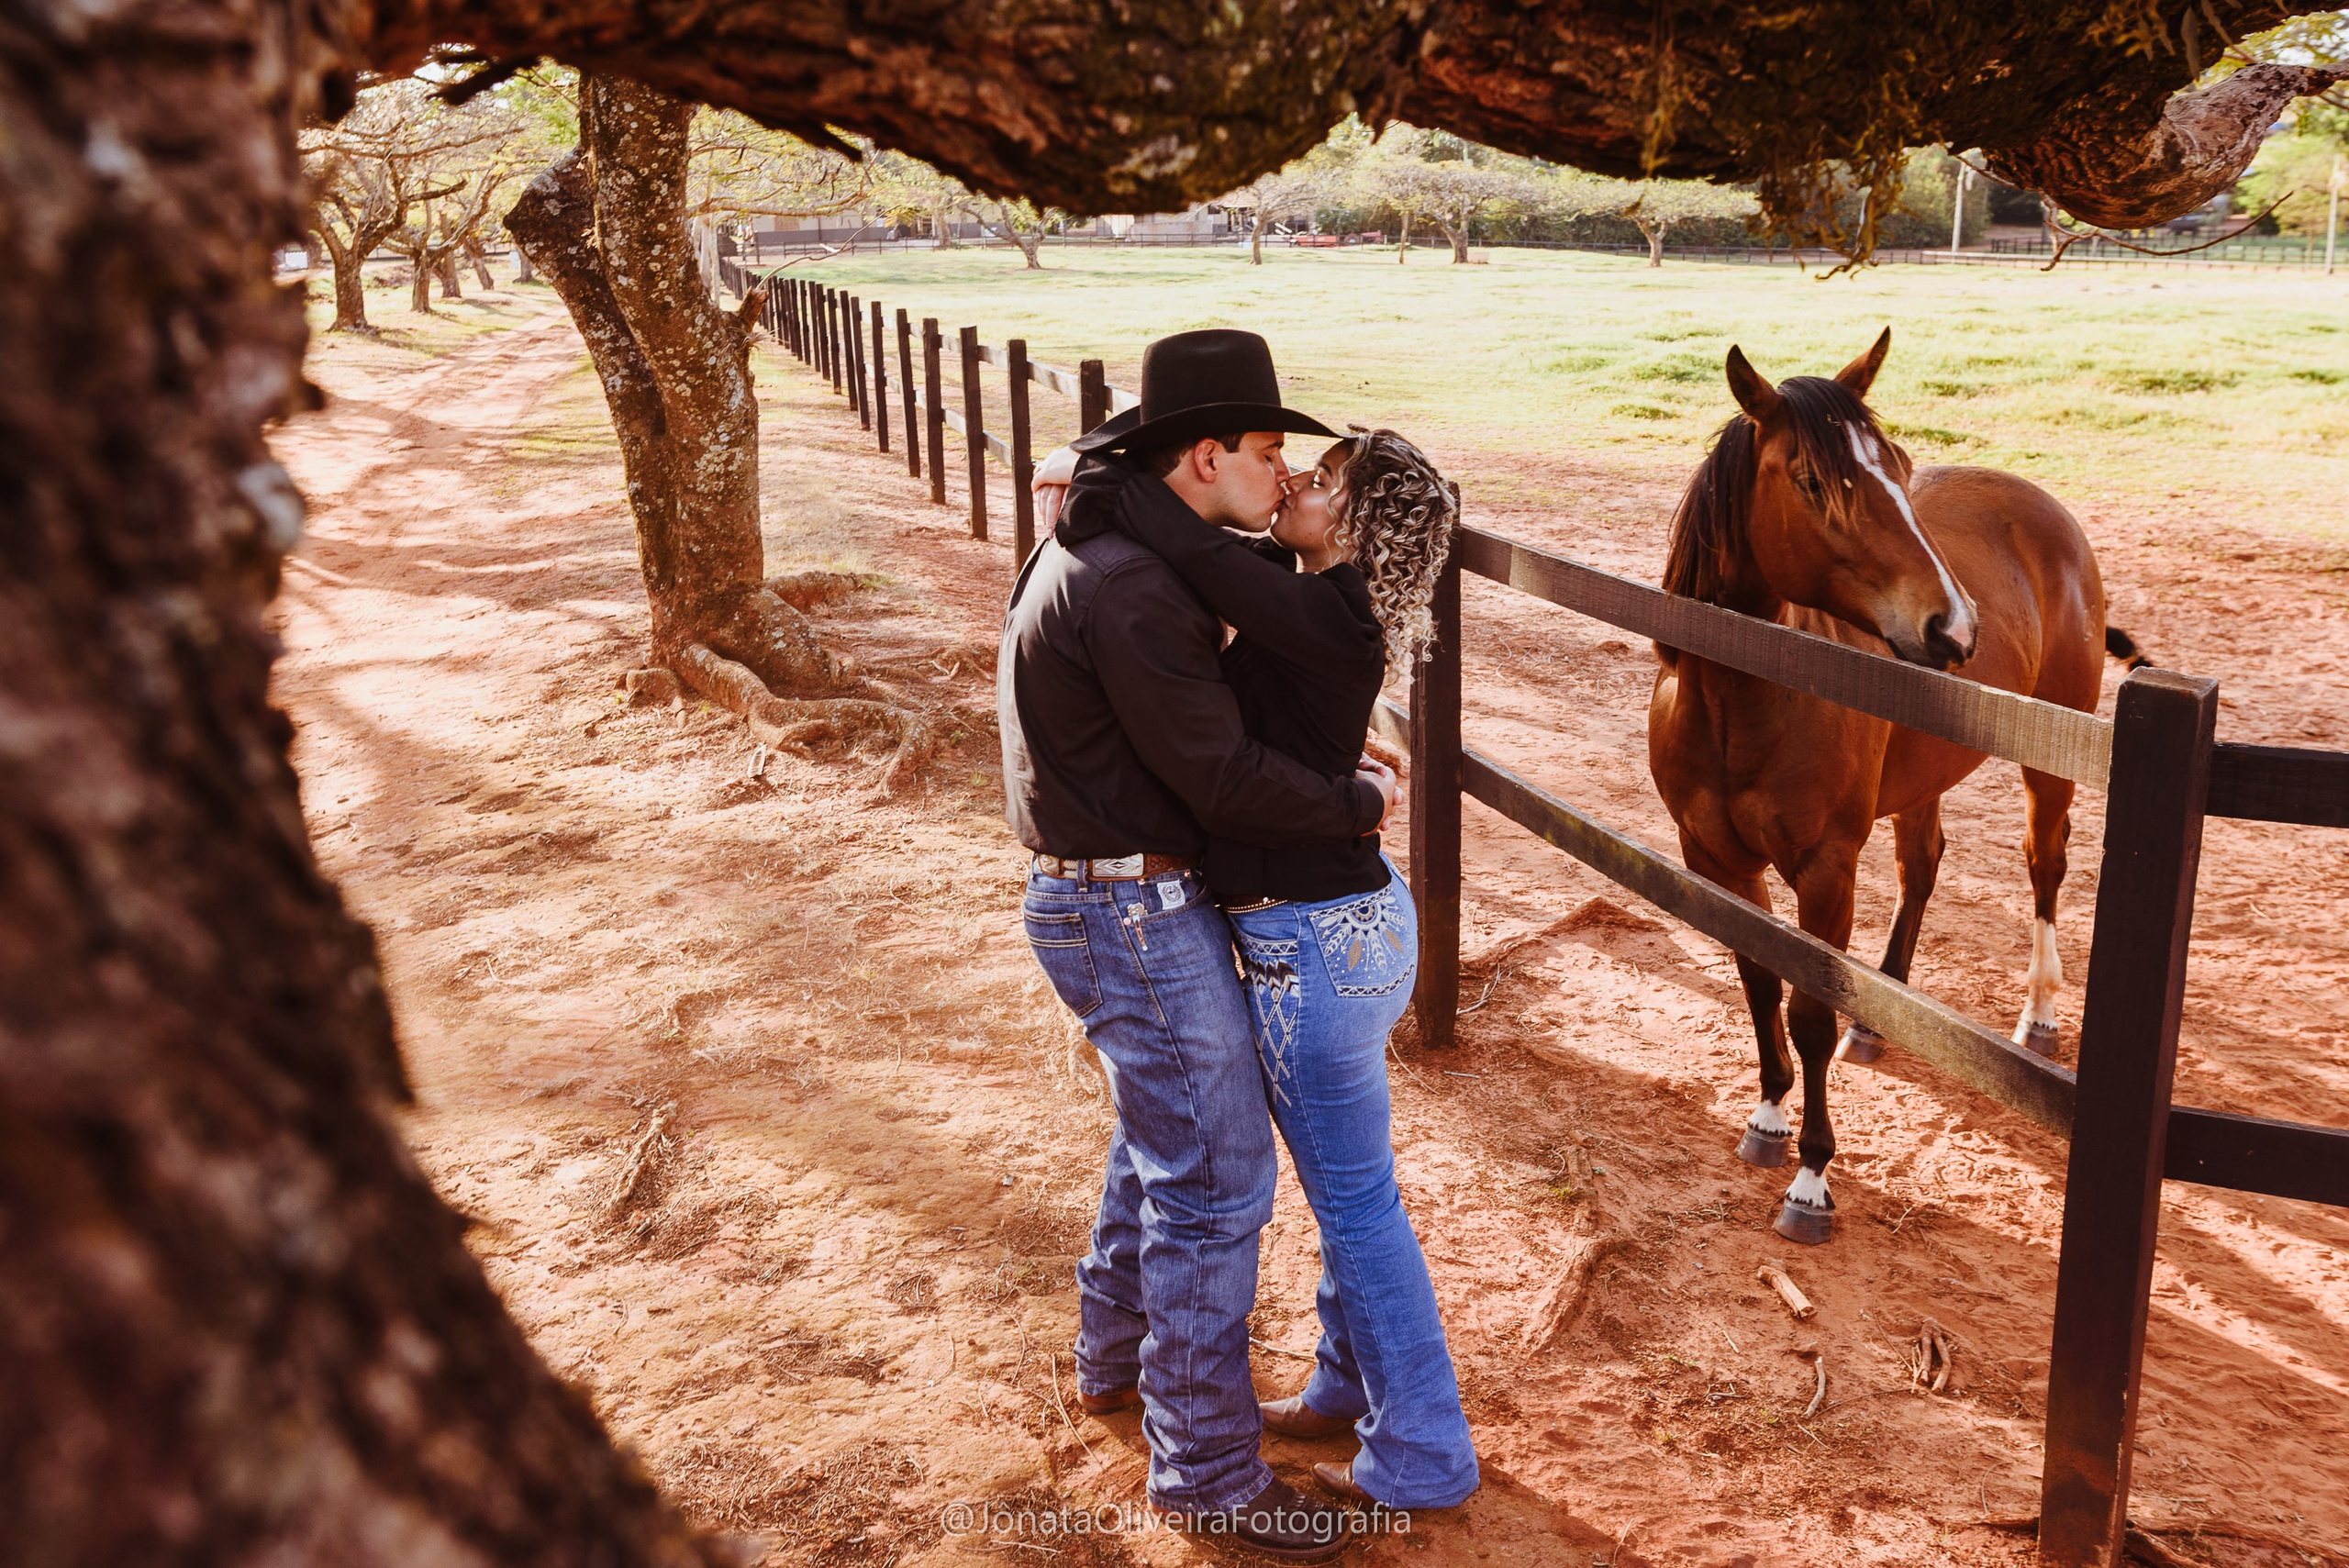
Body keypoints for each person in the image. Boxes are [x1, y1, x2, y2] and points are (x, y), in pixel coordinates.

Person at [997, 328, 1396, 1562]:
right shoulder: (1129, 584)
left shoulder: (1114, 548)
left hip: (1111, 893)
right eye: (1269, 450)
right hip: (1130, 909)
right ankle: (1210, 1473)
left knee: (1163, 1140)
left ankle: (1111, 1353)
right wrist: (1356, 804)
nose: (1283, 475)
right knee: (1217, 1178)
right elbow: (1219, 777)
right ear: (1206, 456)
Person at [1098, 428, 1480, 1513]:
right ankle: (1344, 1382)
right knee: (1354, 1189)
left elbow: (1201, 552)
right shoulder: (1319, 600)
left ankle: (1424, 1452)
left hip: (1314, 944)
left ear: (1355, 521)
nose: (1295, 481)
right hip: (1340, 927)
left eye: (1321, 480)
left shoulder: (1323, 608)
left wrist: (1108, 480)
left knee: (1355, 1204)